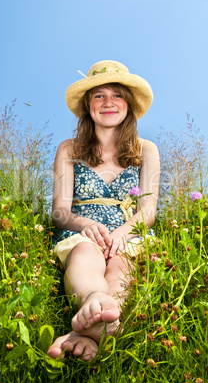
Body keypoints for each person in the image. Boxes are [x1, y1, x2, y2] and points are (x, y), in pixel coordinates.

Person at [47, 60, 160, 361]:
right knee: (86, 254)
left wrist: (124, 233)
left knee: (123, 263)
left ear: (129, 105)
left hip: (128, 230)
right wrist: (83, 224)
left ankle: (97, 325)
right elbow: (59, 211)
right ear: (88, 106)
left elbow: (148, 209)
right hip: (83, 230)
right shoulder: (69, 149)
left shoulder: (145, 149)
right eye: (99, 96)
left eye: (117, 95)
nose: (108, 102)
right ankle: (94, 301)